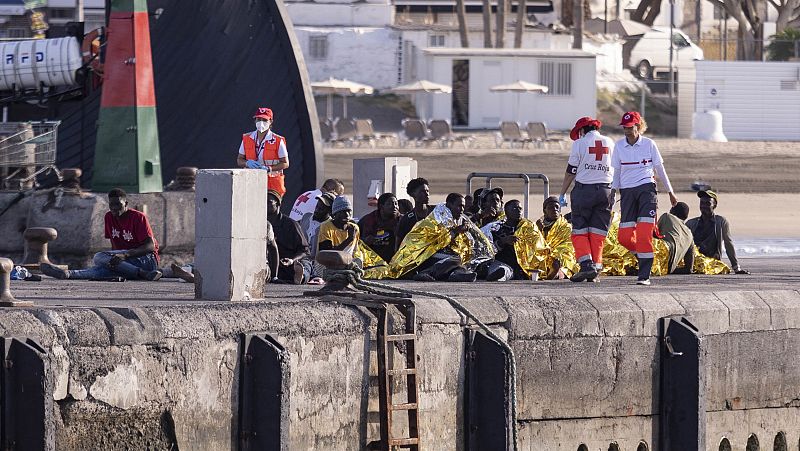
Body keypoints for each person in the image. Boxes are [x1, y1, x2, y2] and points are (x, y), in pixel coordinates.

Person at [611, 111, 678, 286]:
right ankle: (644, 255)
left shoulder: (649, 144)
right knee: (624, 237)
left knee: (643, 232)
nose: (627, 130)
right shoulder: (618, 146)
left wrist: (670, 192)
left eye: (630, 127)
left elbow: (660, 169)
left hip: (646, 190)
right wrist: (612, 191)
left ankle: (644, 275)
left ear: (638, 126)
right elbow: (617, 171)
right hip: (627, 192)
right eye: (624, 127)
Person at [40, 189, 162, 281]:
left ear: (126, 204)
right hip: (126, 261)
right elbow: (115, 245)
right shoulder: (109, 217)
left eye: (118, 205)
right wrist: (115, 261)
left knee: (98, 257)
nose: (114, 209)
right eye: (111, 205)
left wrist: (125, 255)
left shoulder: (138, 217)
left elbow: (150, 246)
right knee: (104, 270)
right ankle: (68, 274)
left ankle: (142, 272)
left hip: (146, 260)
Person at [388, 193, 495, 282]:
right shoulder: (436, 220)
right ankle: (427, 272)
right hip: (429, 256)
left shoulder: (457, 218)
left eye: (463, 206)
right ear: (449, 205)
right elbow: (436, 240)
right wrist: (456, 231)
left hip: (447, 257)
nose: (461, 209)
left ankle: (456, 275)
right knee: (456, 260)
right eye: (459, 206)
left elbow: (470, 222)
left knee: (464, 262)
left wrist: (480, 216)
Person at [559, 116, 615, 282]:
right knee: (598, 231)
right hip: (606, 191)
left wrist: (562, 192)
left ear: (582, 130)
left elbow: (571, 170)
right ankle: (595, 270)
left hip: (585, 191)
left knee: (580, 230)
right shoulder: (610, 142)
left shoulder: (580, 143)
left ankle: (586, 266)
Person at [686, 190, 749, 274]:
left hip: (713, 264)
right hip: (694, 263)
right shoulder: (691, 223)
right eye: (702, 203)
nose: (704, 206)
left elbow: (728, 244)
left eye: (708, 203)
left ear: (714, 205)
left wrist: (736, 268)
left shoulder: (721, 222)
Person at [482, 199, 548, 280]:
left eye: (520, 208)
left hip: (524, 265)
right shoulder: (497, 229)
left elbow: (538, 246)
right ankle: (497, 276)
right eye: (514, 209)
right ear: (506, 212)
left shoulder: (529, 227)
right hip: (504, 262)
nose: (518, 211)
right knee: (502, 270)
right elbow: (489, 250)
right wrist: (503, 241)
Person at [236, 107, 289, 197]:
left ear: (270, 121)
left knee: (270, 210)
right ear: (255, 120)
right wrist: (247, 163)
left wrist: (269, 168)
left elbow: (285, 163)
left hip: (271, 185)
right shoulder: (247, 138)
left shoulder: (277, 140)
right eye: (258, 119)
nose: (261, 122)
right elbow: (239, 160)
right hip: (251, 182)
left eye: (264, 120)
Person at [267, 190, 312, 284]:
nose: (265, 205)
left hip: (291, 263)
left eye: (269, 202)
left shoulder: (291, 224)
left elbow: (305, 251)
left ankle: (301, 277)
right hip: (272, 265)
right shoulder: (260, 224)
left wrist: (292, 260)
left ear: (278, 203)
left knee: (305, 265)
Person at [536, 196, 576, 279]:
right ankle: (552, 272)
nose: (554, 209)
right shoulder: (539, 225)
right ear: (544, 211)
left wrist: (555, 255)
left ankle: (556, 273)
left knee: (563, 262)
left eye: (557, 207)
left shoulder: (566, 226)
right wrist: (539, 230)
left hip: (561, 255)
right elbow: (536, 244)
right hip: (544, 254)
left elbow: (567, 245)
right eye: (550, 207)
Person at [357, 193, 401, 263]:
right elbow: (356, 240)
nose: (394, 206)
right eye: (390, 204)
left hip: (396, 260)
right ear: (381, 206)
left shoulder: (402, 220)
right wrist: (365, 240)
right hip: (372, 262)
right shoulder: (368, 220)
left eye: (396, 203)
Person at [655, 202, 695, 275]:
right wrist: (671, 269)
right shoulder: (690, 234)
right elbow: (689, 269)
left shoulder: (667, 216)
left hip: (657, 258)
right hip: (667, 269)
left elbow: (654, 233)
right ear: (686, 217)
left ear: (672, 210)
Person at [396, 178, 433, 247]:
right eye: (422, 191)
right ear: (413, 194)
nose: (427, 194)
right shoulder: (406, 219)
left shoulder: (436, 212)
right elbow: (398, 244)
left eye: (427, 191)